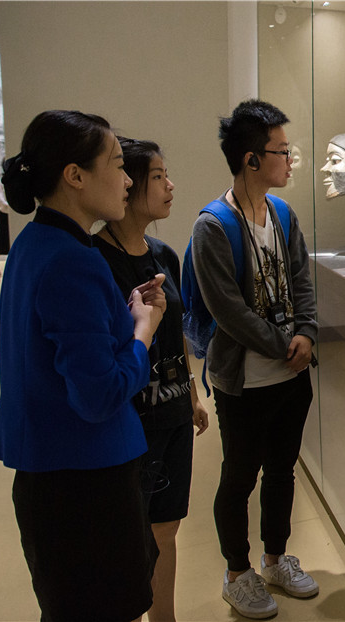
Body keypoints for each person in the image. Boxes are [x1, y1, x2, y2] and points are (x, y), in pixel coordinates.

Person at [0, 109, 166, 622]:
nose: (128, 179)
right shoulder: (74, 259)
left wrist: (120, 313)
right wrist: (142, 333)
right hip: (86, 486)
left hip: (51, 477)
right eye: (116, 164)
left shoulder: (34, 245)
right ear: (75, 176)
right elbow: (100, 393)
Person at [189, 99, 318, 619]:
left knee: (283, 470)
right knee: (240, 475)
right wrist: (282, 344)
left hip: (291, 373)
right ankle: (237, 572)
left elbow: (303, 280)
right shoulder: (213, 227)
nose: (289, 160)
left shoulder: (282, 214)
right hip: (244, 379)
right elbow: (228, 311)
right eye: (281, 151)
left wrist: (306, 332)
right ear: (250, 159)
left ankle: (274, 558)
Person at [93, 137, 209, 622]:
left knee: (166, 529)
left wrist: (193, 392)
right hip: (131, 422)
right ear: (131, 184)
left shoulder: (165, 254)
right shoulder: (97, 259)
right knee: (128, 538)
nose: (169, 186)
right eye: (157, 177)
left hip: (175, 412)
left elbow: (177, 327)